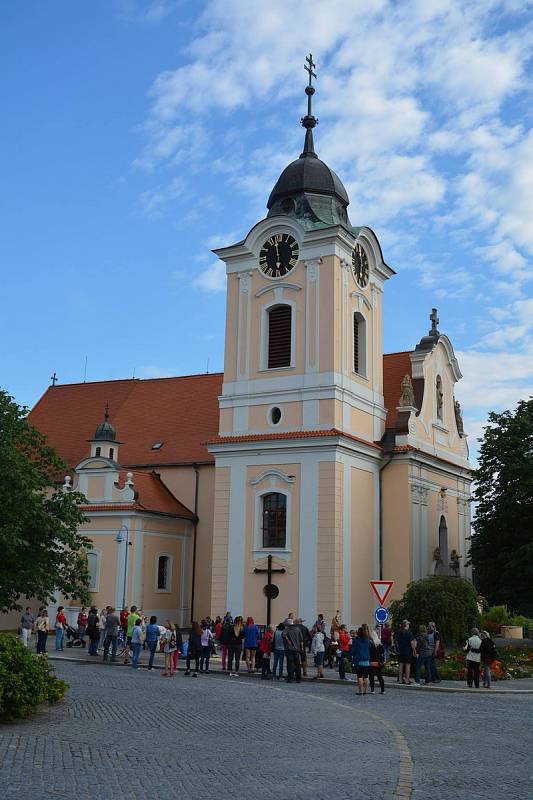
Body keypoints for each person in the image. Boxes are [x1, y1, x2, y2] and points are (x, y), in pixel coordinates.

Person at [351, 626, 371, 695]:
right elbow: (369, 648)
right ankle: (366, 690)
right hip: (366, 660)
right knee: (366, 676)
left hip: (359, 660)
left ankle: (360, 691)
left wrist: (351, 656)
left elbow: (353, 650)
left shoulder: (356, 640)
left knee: (359, 676)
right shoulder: (367, 640)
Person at [282, 619, 303, 683]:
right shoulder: (298, 629)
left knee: (290, 664)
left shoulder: (287, 629)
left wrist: (287, 640)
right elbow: (301, 640)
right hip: (297, 649)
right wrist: (301, 648)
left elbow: (283, 635)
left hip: (290, 649)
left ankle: (290, 678)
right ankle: (298, 679)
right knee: (298, 664)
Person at [397, 620, 417, 684]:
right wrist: (414, 651)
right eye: (408, 624)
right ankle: (407, 680)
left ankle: (400, 679)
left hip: (401, 651)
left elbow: (396, 642)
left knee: (401, 664)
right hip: (408, 651)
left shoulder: (399, 632)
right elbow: (412, 643)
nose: (409, 625)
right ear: (406, 625)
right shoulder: (409, 632)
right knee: (408, 665)